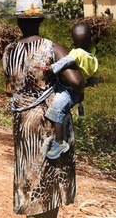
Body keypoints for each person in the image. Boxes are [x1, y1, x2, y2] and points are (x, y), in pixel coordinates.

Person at [3, 0, 80, 218]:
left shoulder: (8, 51)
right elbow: (75, 81)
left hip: (23, 120)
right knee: (52, 177)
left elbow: (10, 88)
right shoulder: (53, 48)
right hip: (49, 121)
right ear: (41, 21)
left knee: (29, 177)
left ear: (18, 22)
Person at [42, 22, 99, 160]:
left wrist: (52, 68)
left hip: (68, 90)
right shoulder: (93, 58)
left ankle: (59, 142)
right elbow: (93, 79)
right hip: (78, 92)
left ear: (72, 41)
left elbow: (66, 61)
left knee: (56, 111)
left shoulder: (76, 53)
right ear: (90, 41)